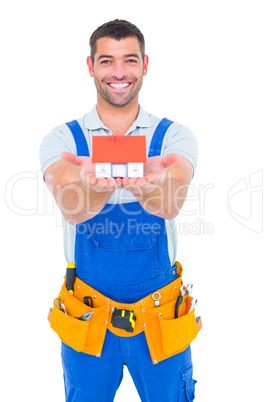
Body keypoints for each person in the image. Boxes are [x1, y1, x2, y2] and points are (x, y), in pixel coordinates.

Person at [40, 19, 198, 402]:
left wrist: (145, 188)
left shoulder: (173, 137)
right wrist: (95, 190)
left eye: (129, 60)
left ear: (145, 65)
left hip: (160, 316)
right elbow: (71, 207)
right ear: (91, 66)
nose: (119, 73)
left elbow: (171, 204)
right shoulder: (62, 139)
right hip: (88, 316)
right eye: (107, 61)